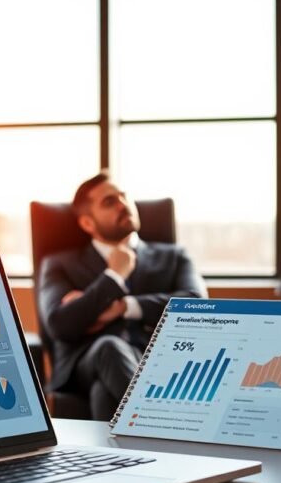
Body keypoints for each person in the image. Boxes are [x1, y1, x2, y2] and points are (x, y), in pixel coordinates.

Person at [38, 171, 208, 420]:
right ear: (88, 223)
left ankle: (118, 459)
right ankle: (159, 426)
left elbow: (197, 304)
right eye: (109, 202)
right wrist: (113, 276)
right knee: (109, 347)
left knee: (103, 392)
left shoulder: (173, 256)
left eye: (123, 197)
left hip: (154, 360)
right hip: (84, 365)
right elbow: (59, 323)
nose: (123, 205)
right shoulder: (59, 264)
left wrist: (125, 306)